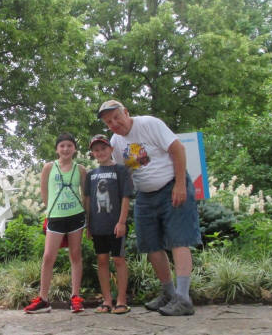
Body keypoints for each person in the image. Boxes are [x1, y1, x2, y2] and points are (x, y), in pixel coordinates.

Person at [97, 100, 202, 316]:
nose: (114, 124)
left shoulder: (149, 124)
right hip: (144, 196)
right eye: (109, 122)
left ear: (126, 112)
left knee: (179, 240)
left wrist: (180, 184)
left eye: (117, 117)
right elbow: (125, 174)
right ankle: (169, 293)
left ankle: (183, 298)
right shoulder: (115, 141)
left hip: (172, 186)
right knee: (150, 245)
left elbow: (178, 149)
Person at [24, 133, 87, 314]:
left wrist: (86, 217)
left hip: (76, 216)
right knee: (48, 256)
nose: (66, 149)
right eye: (62, 146)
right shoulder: (49, 167)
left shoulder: (80, 169)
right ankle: (43, 299)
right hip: (56, 217)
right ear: (57, 149)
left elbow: (85, 196)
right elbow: (44, 192)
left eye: (69, 145)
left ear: (74, 148)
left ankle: (75, 297)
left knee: (75, 255)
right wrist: (52, 210)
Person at [84, 134, 133, 315]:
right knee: (102, 260)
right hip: (98, 226)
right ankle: (106, 300)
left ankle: (121, 300)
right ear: (92, 154)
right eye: (96, 150)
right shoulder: (91, 175)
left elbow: (126, 197)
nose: (100, 152)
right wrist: (88, 225)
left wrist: (122, 222)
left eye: (103, 148)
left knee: (119, 260)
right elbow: (88, 201)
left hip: (115, 225)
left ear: (111, 149)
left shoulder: (121, 170)